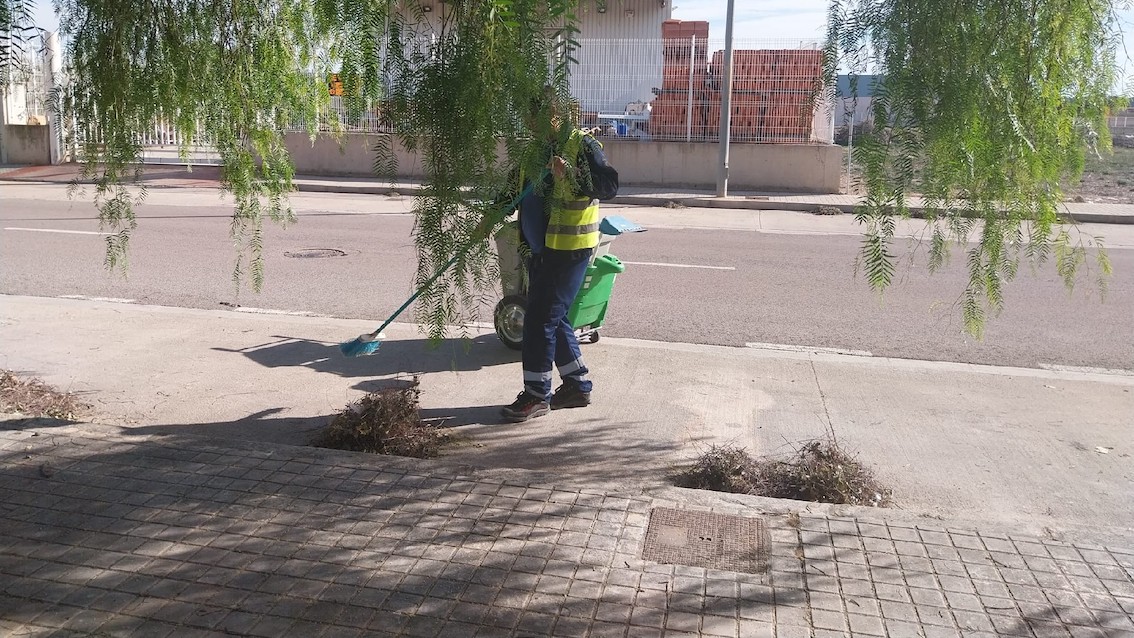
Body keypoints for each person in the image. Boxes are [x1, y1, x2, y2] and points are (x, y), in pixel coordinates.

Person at [500, 92, 602, 423]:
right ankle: (576, 385)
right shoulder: (533, 151)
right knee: (555, 319)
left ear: (555, 114)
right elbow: (511, 190)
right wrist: (490, 212)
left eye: (539, 118)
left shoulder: (581, 145)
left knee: (539, 320)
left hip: (567, 250)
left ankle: (536, 395)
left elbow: (607, 184)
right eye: (529, 119)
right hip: (541, 251)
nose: (532, 125)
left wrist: (569, 174)